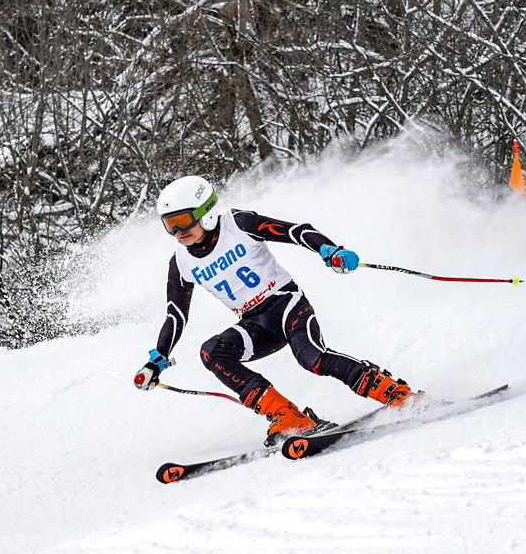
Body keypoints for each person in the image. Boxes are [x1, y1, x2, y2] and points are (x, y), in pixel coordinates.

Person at [133, 174, 422, 445]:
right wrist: (157, 359)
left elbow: (297, 232)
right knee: (213, 352)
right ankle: (287, 417)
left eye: (183, 221)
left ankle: (393, 392)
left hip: (286, 304)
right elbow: (176, 315)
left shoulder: (238, 224)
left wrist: (330, 250)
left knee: (312, 358)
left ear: (206, 212)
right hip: (255, 324)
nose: (178, 232)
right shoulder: (181, 262)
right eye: (169, 225)